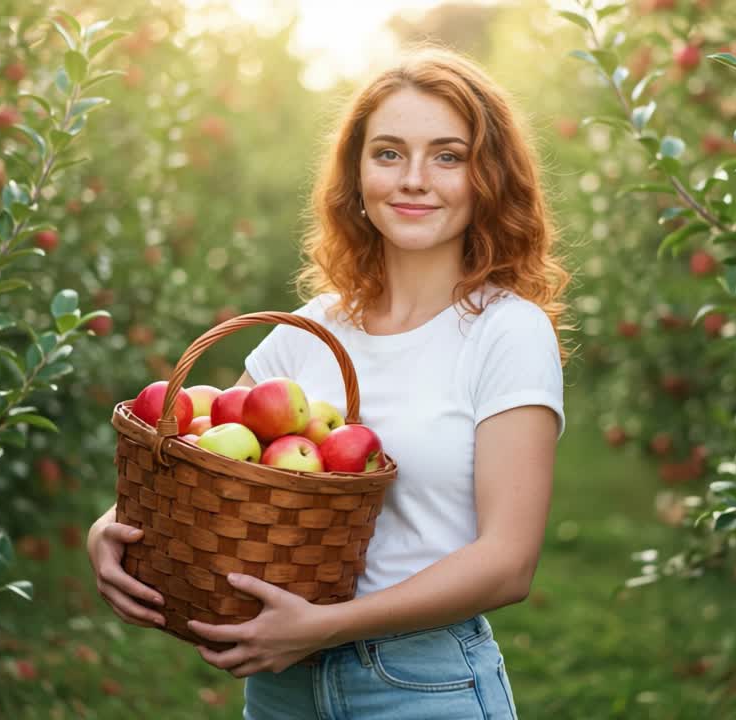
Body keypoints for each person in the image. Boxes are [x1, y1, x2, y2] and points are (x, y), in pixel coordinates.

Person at [87, 44, 572, 719]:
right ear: (357, 175)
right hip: (283, 686)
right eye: (389, 153)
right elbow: (210, 460)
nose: (414, 179)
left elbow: (508, 561)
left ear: (488, 177)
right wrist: (113, 527)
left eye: (448, 155)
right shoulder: (315, 329)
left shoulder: (506, 333)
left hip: (420, 685)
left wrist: (325, 625)